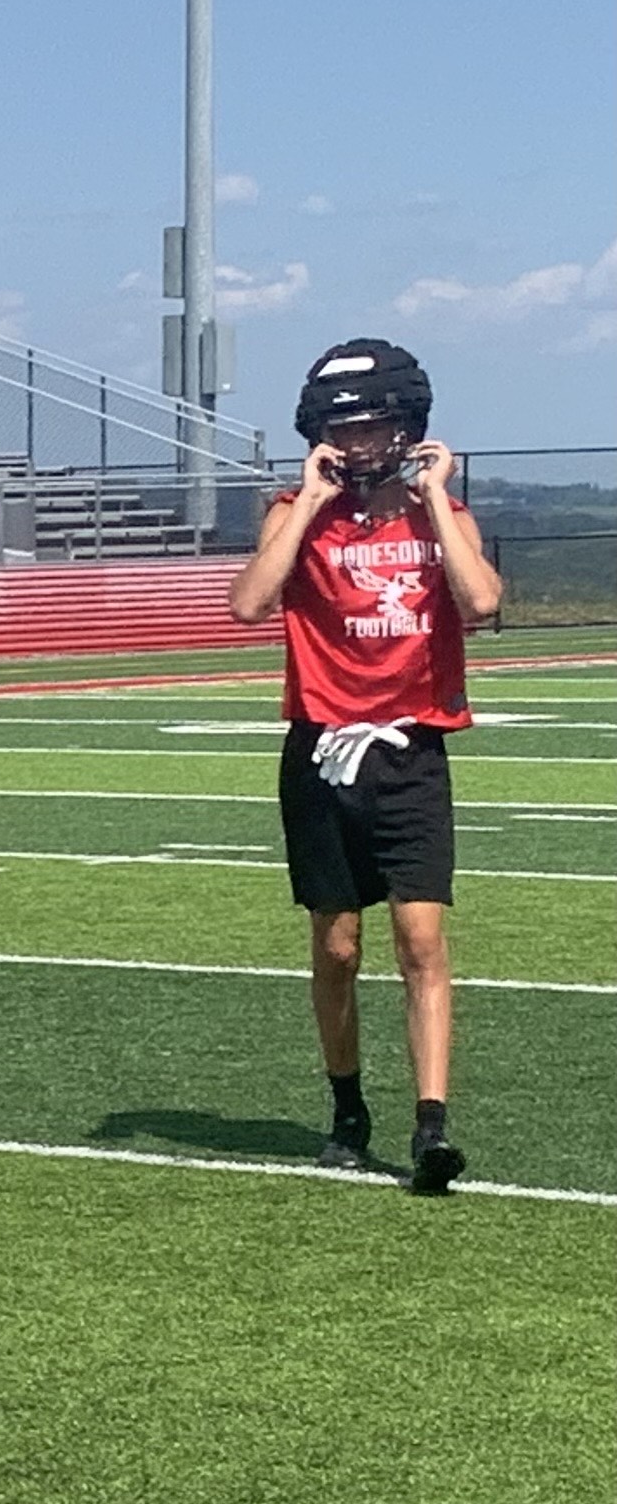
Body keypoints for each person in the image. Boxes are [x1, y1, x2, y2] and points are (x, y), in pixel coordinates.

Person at [227, 337, 499, 1194]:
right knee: (338, 946)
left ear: (407, 426)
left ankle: (431, 1124)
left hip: (411, 747)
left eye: (374, 425)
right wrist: (310, 501)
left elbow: (482, 601)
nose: (360, 442)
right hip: (322, 749)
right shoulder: (293, 511)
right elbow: (248, 603)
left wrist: (436, 496)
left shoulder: (439, 513)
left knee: (421, 937)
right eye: (344, 429)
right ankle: (348, 1108)